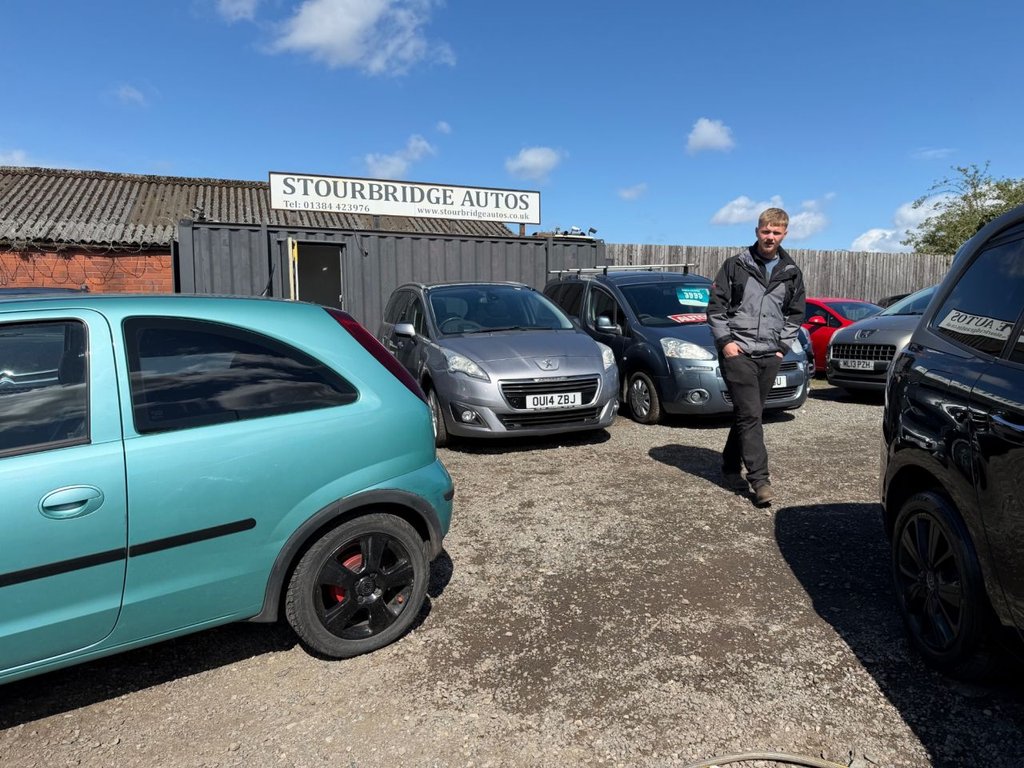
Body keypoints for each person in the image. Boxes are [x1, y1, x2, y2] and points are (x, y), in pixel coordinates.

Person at [706, 207, 806, 506]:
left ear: (784, 234)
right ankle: (760, 481)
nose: (770, 237)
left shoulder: (791, 272)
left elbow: (796, 314)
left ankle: (728, 464)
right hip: (739, 352)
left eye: (776, 232)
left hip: (769, 354)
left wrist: (782, 347)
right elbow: (716, 308)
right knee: (751, 415)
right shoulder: (735, 265)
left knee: (749, 414)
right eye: (766, 231)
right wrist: (726, 342)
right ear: (757, 231)